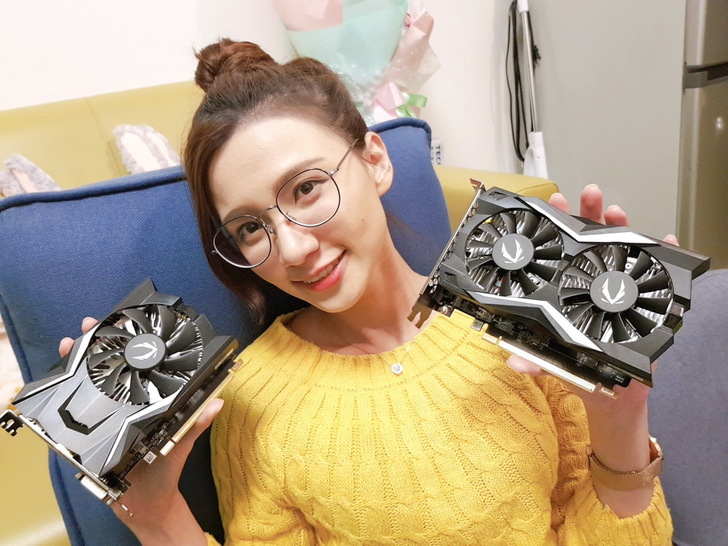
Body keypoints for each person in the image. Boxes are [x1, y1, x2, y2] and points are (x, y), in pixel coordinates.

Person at [61, 38, 674, 545]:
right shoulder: (252, 400)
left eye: (306, 188)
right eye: (250, 228)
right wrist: (157, 517)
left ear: (375, 160)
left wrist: (620, 418)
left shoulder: (515, 313)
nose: (291, 249)